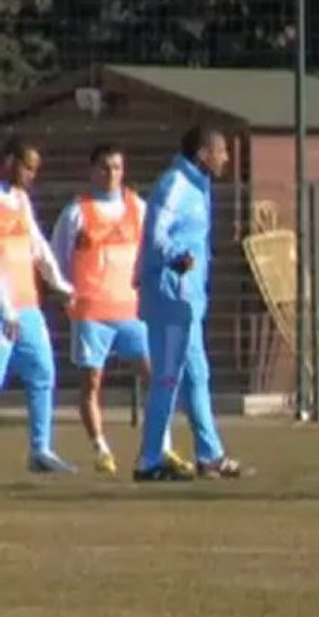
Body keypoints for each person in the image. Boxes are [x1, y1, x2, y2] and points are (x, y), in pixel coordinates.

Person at [51, 144, 191, 476]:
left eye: (116, 167)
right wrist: (66, 295)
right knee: (92, 382)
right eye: (104, 167)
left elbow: (155, 246)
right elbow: (58, 257)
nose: (111, 174)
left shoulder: (137, 208)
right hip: (92, 310)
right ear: (92, 170)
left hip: (131, 309)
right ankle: (100, 448)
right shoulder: (77, 212)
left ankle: (161, 446)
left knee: (156, 378)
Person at [134, 126, 249, 481]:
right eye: (221, 151)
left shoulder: (199, 185)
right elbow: (155, 233)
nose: (226, 158)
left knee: (197, 375)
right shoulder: (175, 185)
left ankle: (209, 455)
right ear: (203, 154)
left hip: (189, 300)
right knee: (167, 377)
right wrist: (175, 257)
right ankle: (149, 461)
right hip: (170, 296)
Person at [0, 137, 77, 473]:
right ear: (9, 161)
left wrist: (60, 284)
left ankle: (40, 450)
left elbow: (38, 246)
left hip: (27, 306)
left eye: (35, 169)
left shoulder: (20, 200)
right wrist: (6, 309)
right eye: (27, 167)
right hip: (4, 311)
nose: (32, 175)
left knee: (43, 373)